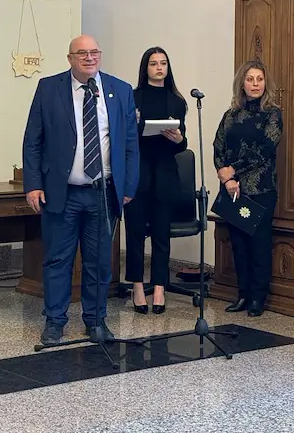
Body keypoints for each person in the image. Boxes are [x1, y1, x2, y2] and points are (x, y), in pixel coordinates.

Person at [22, 34, 140, 344]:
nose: (89, 58)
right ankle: (55, 322)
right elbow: (33, 140)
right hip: (62, 192)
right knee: (58, 260)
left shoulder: (120, 90)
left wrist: (128, 186)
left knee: (98, 262)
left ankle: (96, 321)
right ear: (70, 58)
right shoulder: (49, 88)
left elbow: (130, 143)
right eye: (82, 53)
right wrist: (33, 184)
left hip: (103, 193)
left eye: (94, 52)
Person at [213, 59, 283, 317]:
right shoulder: (231, 115)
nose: (255, 84)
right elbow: (218, 146)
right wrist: (227, 179)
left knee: (258, 245)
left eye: (259, 79)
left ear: (266, 83)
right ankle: (242, 295)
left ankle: (257, 298)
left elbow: (264, 150)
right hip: (233, 190)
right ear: (241, 84)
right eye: (250, 79)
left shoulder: (272, 114)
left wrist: (234, 170)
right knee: (239, 245)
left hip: (260, 189)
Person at [123, 47, 187, 314]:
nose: (159, 68)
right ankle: (138, 286)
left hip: (164, 173)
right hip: (138, 173)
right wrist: (138, 126)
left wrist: (179, 138)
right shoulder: (132, 97)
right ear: (145, 68)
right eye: (153, 63)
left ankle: (159, 287)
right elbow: (124, 137)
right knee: (135, 232)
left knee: (161, 234)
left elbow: (182, 143)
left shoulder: (177, 101)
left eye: (163, 63)